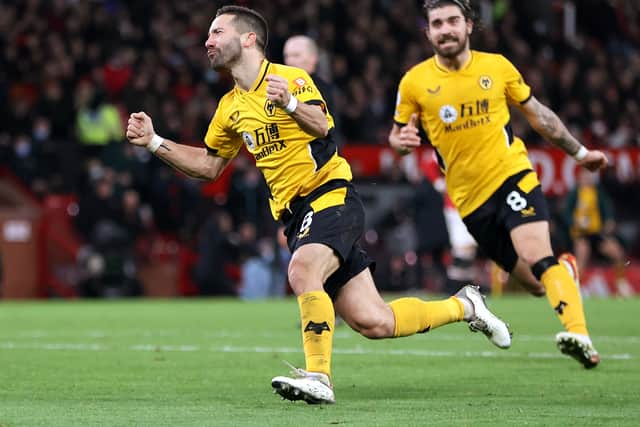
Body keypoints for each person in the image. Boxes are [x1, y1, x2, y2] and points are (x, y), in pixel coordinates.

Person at [126, 5, 511, 405]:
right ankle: (465, 306)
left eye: (217, 32)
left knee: (303, 268)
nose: (207, 41)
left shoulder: (290, 78)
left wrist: (291, 104)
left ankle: (318, 377)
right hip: (296, 218)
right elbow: (208, 166)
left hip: (331, 195)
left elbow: (323, 125)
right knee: (374, 321)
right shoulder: (230, 108)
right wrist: (155, 142)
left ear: (248, 38)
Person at [389, 0, 609, 369]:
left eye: (453, 21)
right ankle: (566, 273)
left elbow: (539, 116)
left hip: (512, 176)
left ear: (469, 26)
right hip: (471, 203)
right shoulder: (414, 82)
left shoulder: (497, 66)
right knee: (536, 284)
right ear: (428, 32)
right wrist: (402, 143)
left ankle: (580, 335)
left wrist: (580, 152)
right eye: (437, 23)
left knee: (538, 255)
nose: (446, 29)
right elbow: (396, 136)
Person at [564, 169, 632, 297]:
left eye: (589, 176)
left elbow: (607, 211)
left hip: (597, 233)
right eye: (585, 176)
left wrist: (609, 222)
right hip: (581, 234)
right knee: (582, 255)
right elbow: (566, 213)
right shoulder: (574, 194)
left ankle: (621, 284)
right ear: (579, 178)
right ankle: (576, 289)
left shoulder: (598, 193)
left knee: (616, 252)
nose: (587, 179)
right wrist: (575, 223)